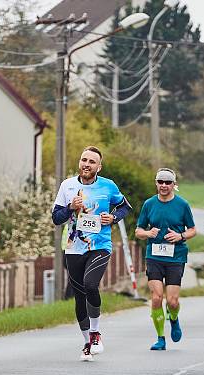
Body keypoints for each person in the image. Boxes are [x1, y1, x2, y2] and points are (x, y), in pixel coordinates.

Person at [52, 146, 132, 361]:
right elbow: (56, 218)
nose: (87, 164)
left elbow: (126, 207)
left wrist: (113, 218)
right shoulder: (67, 186)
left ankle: (96, 333)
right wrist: (70, 207)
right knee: (79, 297)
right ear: (80, 162)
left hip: (100, 245)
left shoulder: (108, 186)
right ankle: (87, 341)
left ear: (99, 167)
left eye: (92, 161)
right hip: (73, 246)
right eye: (84, 159)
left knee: (90, 284)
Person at [135, 168, 196, 350]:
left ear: (173, 184)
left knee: (172, 301)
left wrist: (180, 236)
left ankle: (174, 318)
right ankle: (160, 338)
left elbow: (193, 230)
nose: (163, 185)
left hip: (176, 257)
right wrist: (148, 233)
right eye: (160, 182)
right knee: (156, 297)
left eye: (167, 182)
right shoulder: (149, 204)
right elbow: (138, 231)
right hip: (154, 255)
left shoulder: (182, 205)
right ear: (156, 183)